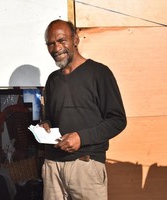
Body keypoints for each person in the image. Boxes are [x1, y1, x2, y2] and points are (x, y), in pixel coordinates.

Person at [39, 19, 127, 200]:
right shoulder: (52, 80)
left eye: (62, 40)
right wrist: (45, 125)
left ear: (75, 40)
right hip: (53, 166)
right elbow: (51, 118)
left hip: (85, 164)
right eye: (51, 43)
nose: (56, 48)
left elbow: (118, 120)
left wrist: (81, 137)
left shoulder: (99, 73)